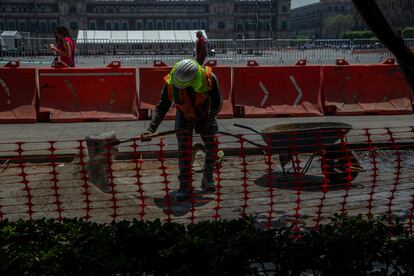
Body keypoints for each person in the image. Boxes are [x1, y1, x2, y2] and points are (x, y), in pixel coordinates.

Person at [141, 59, 222, 201]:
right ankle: (184, 185)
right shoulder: (172, 81)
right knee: (184, 151)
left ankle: (207, 177)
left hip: (206, 114)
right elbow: (162, 106)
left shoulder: (209, 78)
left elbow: (217, 104)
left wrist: (207, 122)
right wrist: (151, 128)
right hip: (184, 115)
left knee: (212, 147)